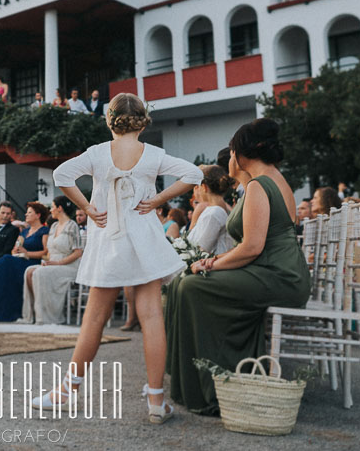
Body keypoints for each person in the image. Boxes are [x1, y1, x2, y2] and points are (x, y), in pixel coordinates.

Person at [33, 93, 203, 423]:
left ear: (109, 121)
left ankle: (66, 391)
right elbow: (193, 174)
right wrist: (158, 200)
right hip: (145, 239)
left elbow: (61, 176)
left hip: (108, 239)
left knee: (95, 317)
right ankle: (156, 400)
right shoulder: (153, 154)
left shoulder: (98, 154)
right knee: (152, 316)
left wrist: (87, 207)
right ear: (143, 122)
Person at [165, 118, 309, 417]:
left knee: (192, 285)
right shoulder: (266, 180)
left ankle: (213, 383)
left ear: (244, 153)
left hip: (277, 275)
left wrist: (212, 264)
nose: (229, 158)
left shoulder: (259, 185)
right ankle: (189, 378)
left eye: (232, 151)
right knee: (184, 281)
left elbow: (252, 247)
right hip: (276, 271)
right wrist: (212, 263)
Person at [0, 202, 49, 321]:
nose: (26, 214)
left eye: (29, 212)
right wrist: (16, 251)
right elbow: (14, 249)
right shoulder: (24, 232)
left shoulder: (44, 230)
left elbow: (46, 252)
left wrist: (27, 253)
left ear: (38, 215)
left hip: (32, 262)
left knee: (5, 260)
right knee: (7, 261)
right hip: (19, 260)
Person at [22, 195, 84, 324]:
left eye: (53, 207)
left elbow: (78, 252)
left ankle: (46, 317)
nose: (51, 210)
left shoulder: (72, 226)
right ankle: (32, 314)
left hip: (69, 265)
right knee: (29, 271)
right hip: (53, 263)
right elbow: (50, 250)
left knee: (39, 273)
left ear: (60, 208)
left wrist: (58, 262)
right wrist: (47, 260)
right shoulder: (54, 226)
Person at [187, 164, 236, 255]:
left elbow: (201, 249)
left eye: (198, 186)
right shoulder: (213, 210)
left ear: (204, 187)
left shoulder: (214, 213)